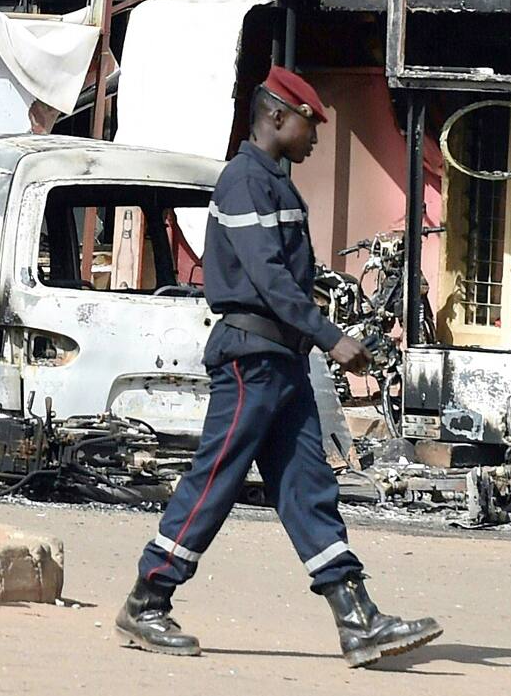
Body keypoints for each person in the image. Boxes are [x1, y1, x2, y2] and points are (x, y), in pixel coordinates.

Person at [116, 66, 442, 669]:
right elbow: (266, 277)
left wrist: (322, 329)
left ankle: (357, 619)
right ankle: (147, 600)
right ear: (275, 117)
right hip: (252, 360)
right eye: (309, 123)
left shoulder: (275, 184)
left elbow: (291, 276)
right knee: (215, 479)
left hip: (282, 360)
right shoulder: (244, 182)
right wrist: (329, 336)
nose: (316, 135)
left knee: (307, 488)